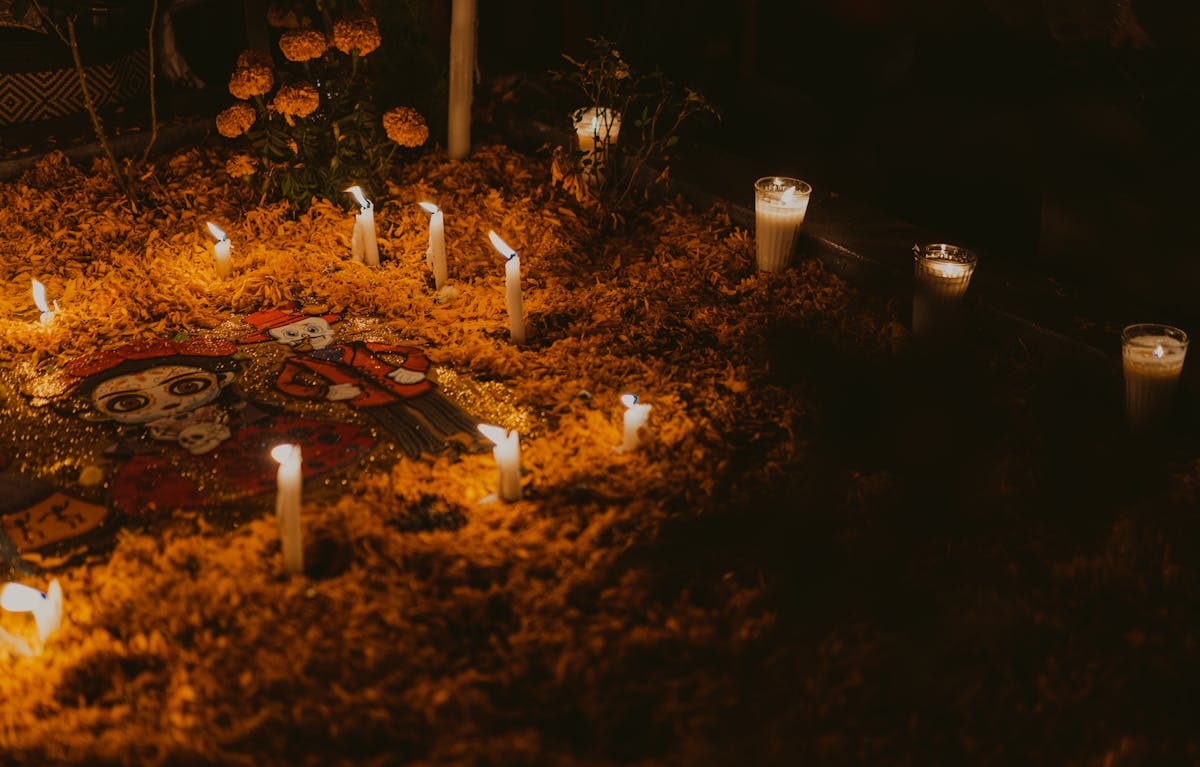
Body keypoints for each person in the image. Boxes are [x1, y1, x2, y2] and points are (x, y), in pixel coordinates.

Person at [59, 337, 374, 515]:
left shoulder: (271, 424)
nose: (168, 405)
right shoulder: (141, 469)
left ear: (222, 380)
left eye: (185, 387)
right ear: (96, 413)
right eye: (129, 403)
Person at [238, 304, 483, 459]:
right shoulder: (299, 363)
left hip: (407, 383)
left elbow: (411, 352)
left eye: (310, 330)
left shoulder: (359, 345)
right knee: (404, 426)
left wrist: (413, 370)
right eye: (293, 334)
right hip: (368, 399)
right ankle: (432, 452)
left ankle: (476, 437)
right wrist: (327, 393)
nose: (305, 337)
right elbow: (286, 385)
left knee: (444, 411)